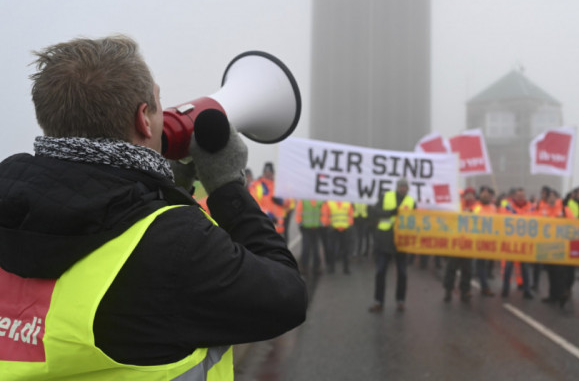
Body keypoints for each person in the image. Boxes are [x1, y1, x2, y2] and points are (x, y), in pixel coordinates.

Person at [0, 35, 306, 380]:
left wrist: (162, 188)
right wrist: (226, 186)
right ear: (144, 120)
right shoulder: (177, 244)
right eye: (159, 105)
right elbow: (288, 298)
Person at [368, 178, 415, 313]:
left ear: (407, 188)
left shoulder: (411, 201)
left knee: (402, 273)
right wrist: (391, 212)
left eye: (405, 186)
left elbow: (417, 221)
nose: (402, 188)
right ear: (397, 186)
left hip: (402, 242)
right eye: (400, 186)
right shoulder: (386, 197)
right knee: (380, 271)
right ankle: (378, 301)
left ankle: (400, 301)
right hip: (385, 240)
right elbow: (374, 212)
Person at [443, 187, 477, 302]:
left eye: (472, 194)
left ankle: (465, 291)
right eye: (468, 194)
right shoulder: (457, 205)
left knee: (467, 270)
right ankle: (448, 290)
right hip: (456, 242)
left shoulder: (476, 207)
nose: (470, 196)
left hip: (469, 243)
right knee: (451, 268)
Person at [499, 187, 534, 300]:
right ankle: (505, 289)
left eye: (522, 196)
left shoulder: (531, 208)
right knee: (508, 267)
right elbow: (500, 221)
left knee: (525, 268)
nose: (520, 198)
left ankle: (526, 290)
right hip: (511, 242)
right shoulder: (507, 207)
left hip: (525, 242)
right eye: (518, 196)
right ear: (514, 196)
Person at [472, 186, 497, 297]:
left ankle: (483, 284)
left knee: (484, 265)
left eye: (487, 195)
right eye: (483, 194)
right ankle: (484, 287)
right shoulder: (476, 207)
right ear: (480, 195)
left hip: (490, 240)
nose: (485, 196)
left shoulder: (494, 207)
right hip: (477, 239)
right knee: (481, 264)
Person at [321, 200, 354, 274]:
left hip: (344, 229)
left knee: (345, 250)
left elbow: (350, 215)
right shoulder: (330, 203)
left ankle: (345, 268)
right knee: (332, 249)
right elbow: (325, 215)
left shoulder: (347, 203)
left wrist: (349, 225)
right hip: (333, 229)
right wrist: (327, 225)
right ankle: (334, 268)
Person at [295, 199, 324, 275]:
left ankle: (316, 267)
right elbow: (299, 212)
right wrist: (300, 224)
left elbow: (323, 213)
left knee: (316, 249)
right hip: (306, 228)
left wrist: (322, 224)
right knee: (306, 248)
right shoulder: (304, 201)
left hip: (317, 228)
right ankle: (304, 266)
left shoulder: (320, 201)